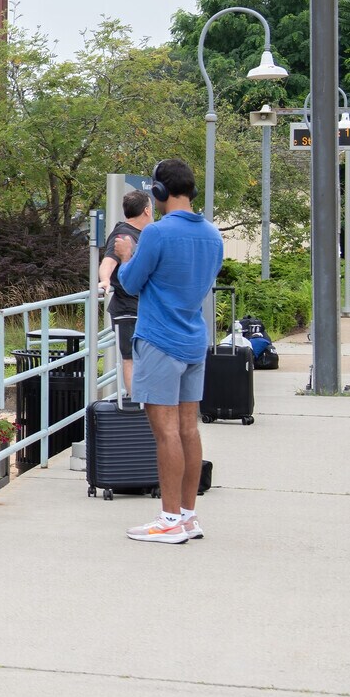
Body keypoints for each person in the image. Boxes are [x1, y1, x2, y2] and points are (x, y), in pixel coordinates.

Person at [112, 158, 224, 545]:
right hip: (194, 339)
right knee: (189, 429)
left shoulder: (157, 234)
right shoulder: (213, 235)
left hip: (160, 340)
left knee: (166, 434)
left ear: (159, 192)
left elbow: (129, 282)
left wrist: (127, 254)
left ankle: (169, 519)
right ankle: (189, 517)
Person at [98, 188, 153, 393]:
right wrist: (105, 281)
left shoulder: (145, 235)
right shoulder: (123, 234)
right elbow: (109, 261)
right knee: (131, 358)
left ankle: (145, 403)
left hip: (145, 306)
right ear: (147, 210)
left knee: (146, 358)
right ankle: (136, 403)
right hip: (127, 307)